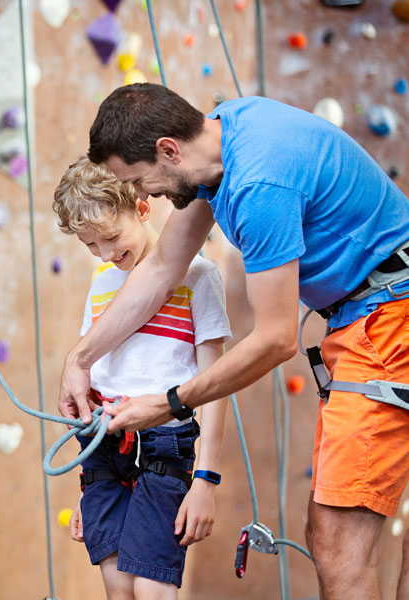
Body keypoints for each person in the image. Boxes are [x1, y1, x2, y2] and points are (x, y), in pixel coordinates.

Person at [58, 83, 409, 600]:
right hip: (374, 309)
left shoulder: (258, 184)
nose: (147, 196)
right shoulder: (225, 133)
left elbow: (274, 339)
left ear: (168, 150)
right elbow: (160, 268)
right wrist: (80, 358)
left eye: (140, 181)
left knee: (337, 543)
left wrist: (171, 403)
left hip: (388, 321)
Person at [54, 157, 231, 599]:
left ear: (143, 208)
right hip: (104, 450)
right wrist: (87, 486)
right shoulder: (101, 286)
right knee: (119, 588)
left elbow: (215, 386)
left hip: (163, 445)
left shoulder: (198, 277)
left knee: (153, 588)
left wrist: (205, 480)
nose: (105, 255)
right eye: (90, 245)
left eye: (111, 237)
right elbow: (95, 381)